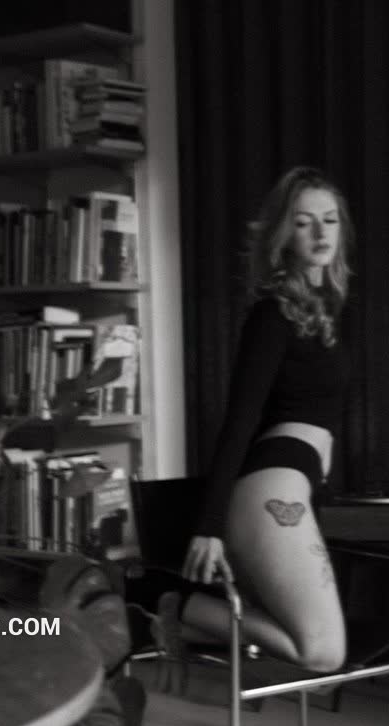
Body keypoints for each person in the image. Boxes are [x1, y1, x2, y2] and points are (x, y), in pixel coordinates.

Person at [151, 166, 354, 675]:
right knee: (323, 652)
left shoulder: (319, 310)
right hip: (269, 488)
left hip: (291, 484)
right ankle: (177, 605)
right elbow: (240, 420)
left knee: (312, 646)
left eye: (329, 220)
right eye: (304, 222)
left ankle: (182, 618)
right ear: (284, 234)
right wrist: (209, 526)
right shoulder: (272, 314)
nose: (320, 232)